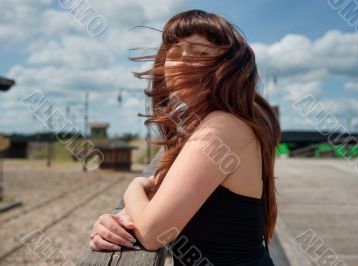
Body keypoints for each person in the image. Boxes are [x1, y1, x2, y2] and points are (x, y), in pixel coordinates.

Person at [88, 9, 280, 265]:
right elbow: (159, 209)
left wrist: (133, 186)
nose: (181, 61)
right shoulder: (207, 125)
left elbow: (154, 233)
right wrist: (114, 223)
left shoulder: (223, 126)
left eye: (200, 53)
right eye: (174, 52)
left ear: (227, 68)